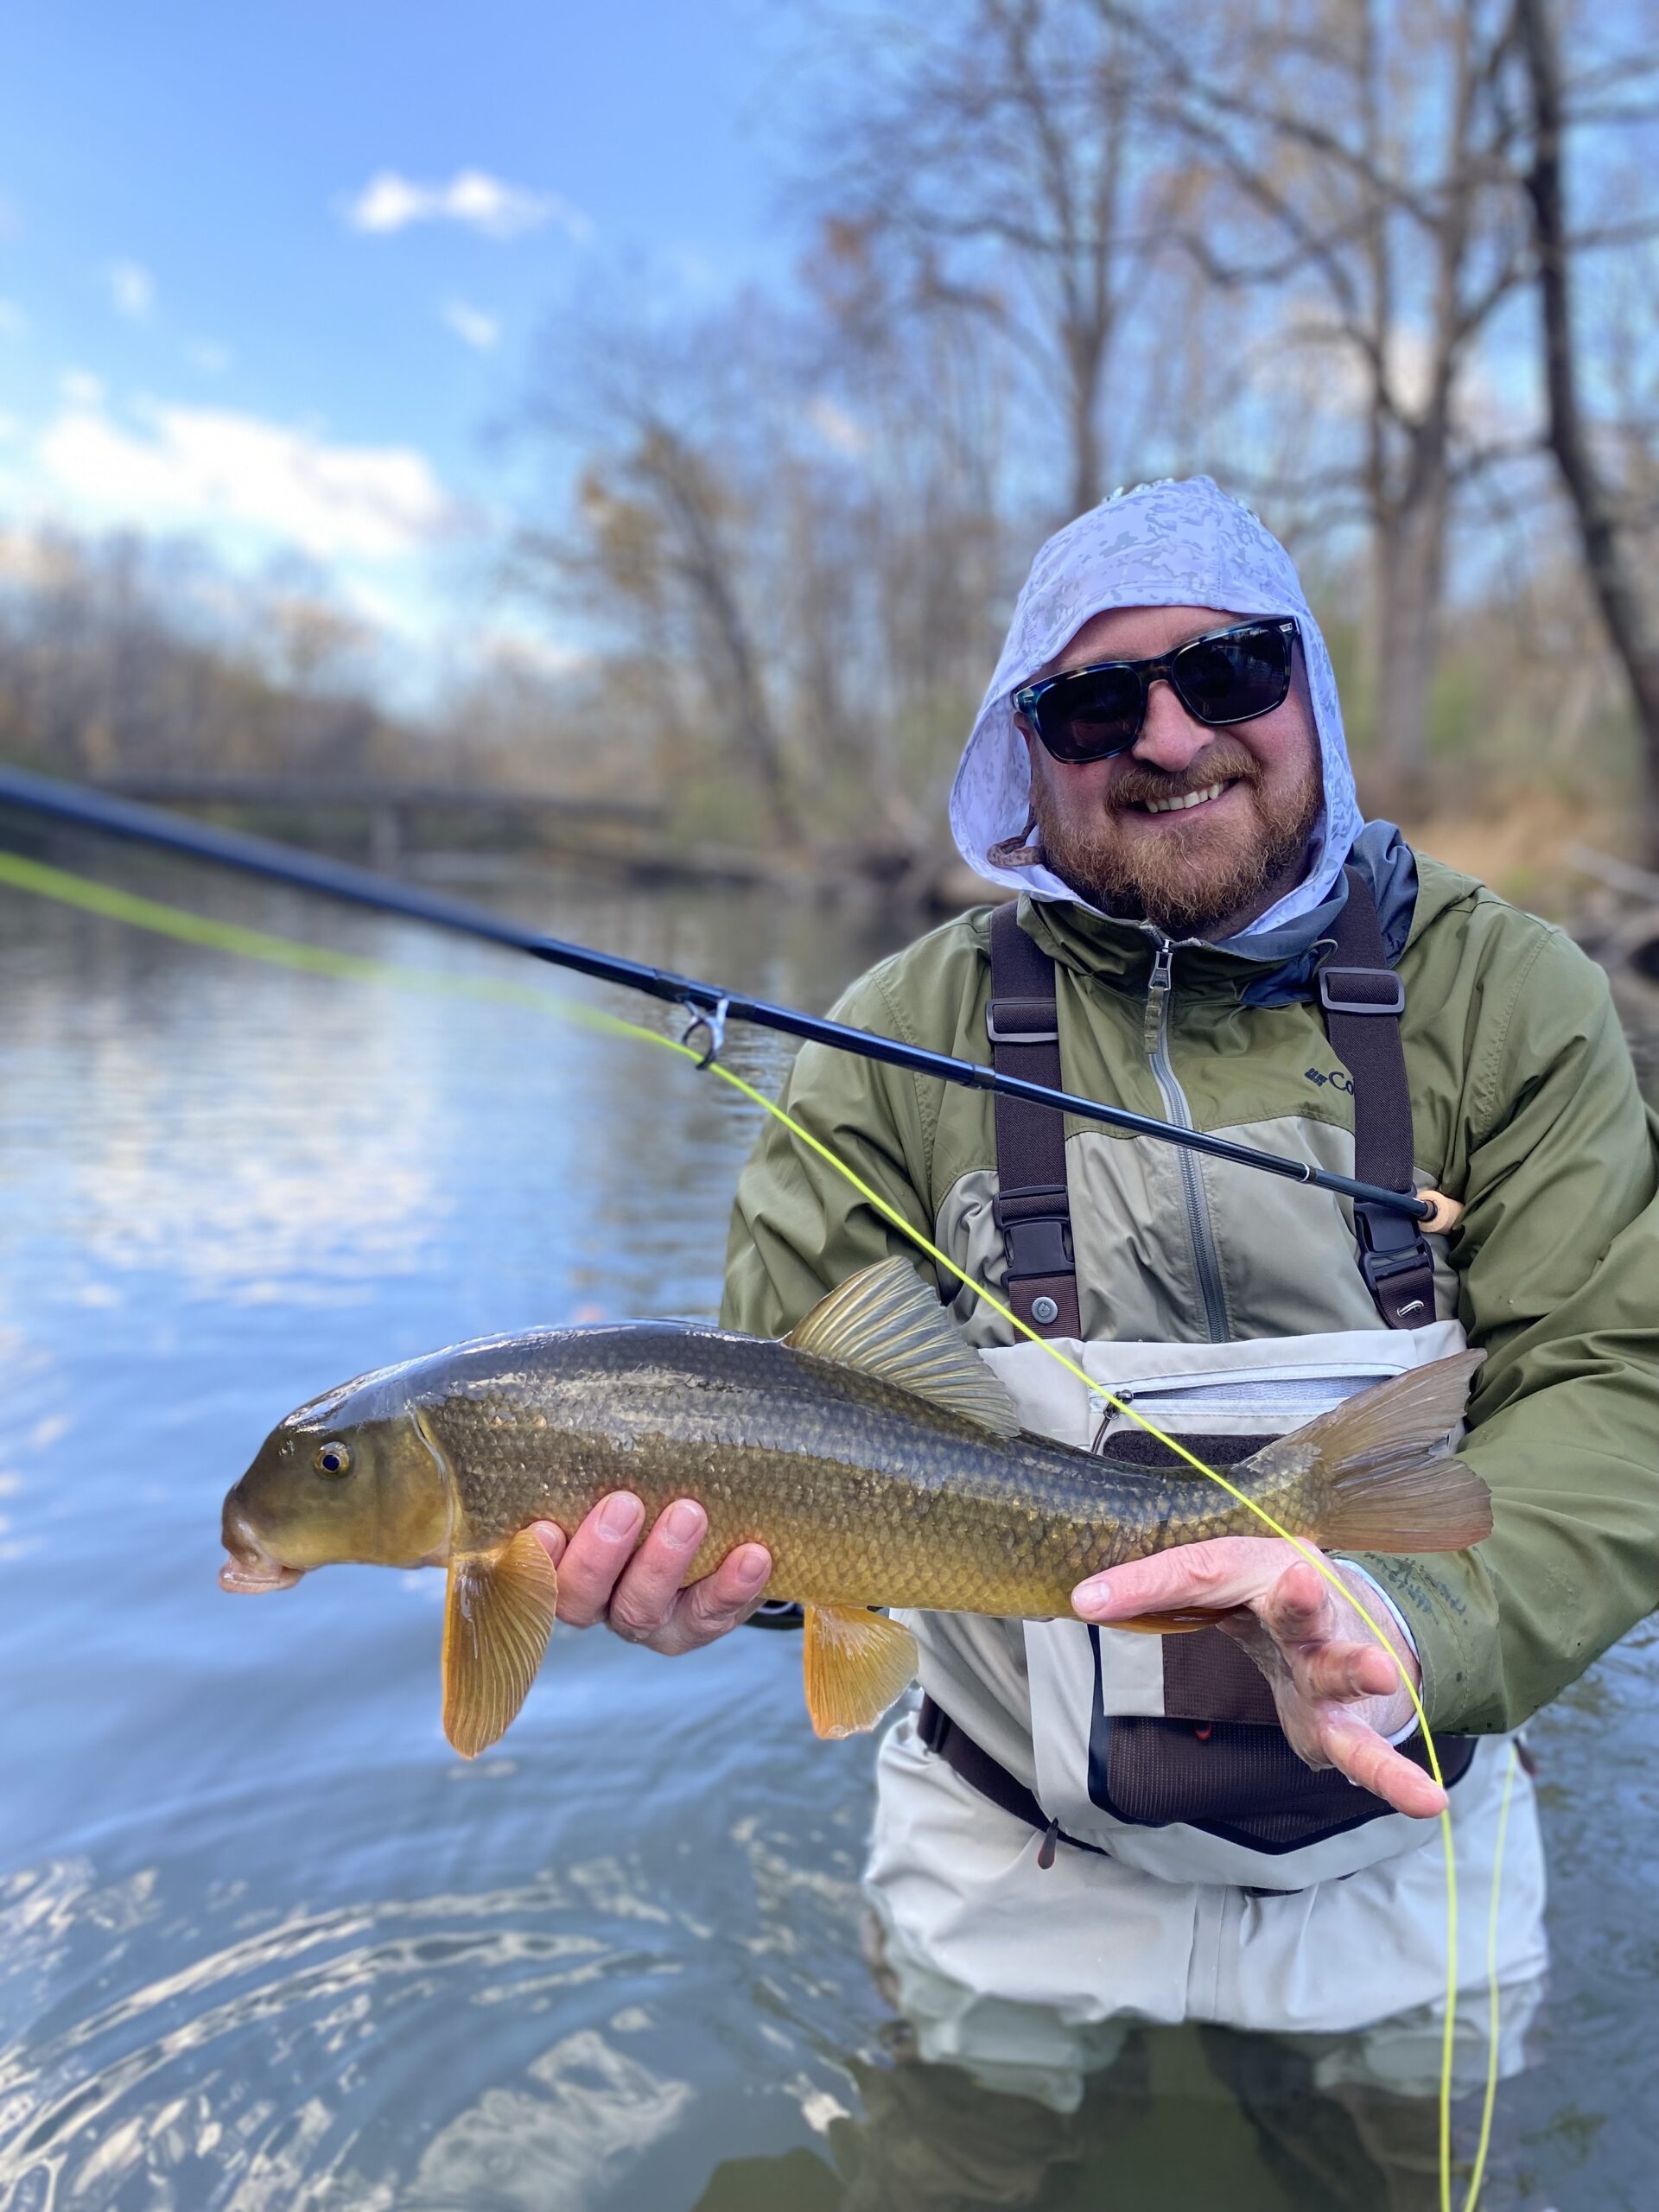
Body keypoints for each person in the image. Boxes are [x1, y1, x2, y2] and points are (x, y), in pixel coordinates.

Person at [528, 479, 1659, 2141]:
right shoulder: (885, 1040)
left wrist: (1415, 1632)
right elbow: (778, 1436)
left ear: (1309, 693)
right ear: (1026, 752)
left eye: (1229, 671)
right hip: (1007, 1865)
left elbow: (1624, 1384)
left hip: (1405, 1847)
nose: (1168, 734)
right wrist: (716, 1590)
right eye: (1090, 701)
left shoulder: (1511, 997)